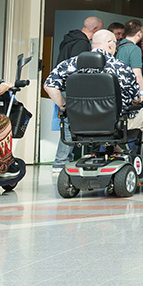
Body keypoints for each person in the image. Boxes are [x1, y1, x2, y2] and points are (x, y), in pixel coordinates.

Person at [43, 29, 143, 164]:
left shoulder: (70, 64)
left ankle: (116, 151)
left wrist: (65, 107)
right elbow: (135, 98)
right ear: (110, 44)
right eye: (115, 44)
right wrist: (140, 97)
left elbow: (49, 86)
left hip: (80, 123)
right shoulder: (120, 68)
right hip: (113, 123)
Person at [52, 15, 102, 171]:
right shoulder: (81, 44)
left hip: (63, 87)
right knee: (70, 125)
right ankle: (61, 161)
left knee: (67, 123)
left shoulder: (68, 39)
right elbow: (79, 69)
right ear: (95, 30)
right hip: (73, 89)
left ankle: (66, 159)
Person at [116, 19, 143, 89]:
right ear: (139, 33)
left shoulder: (117, 46)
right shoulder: (135, 49)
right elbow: (137, 74)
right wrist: (142, 92)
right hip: (127, 89)